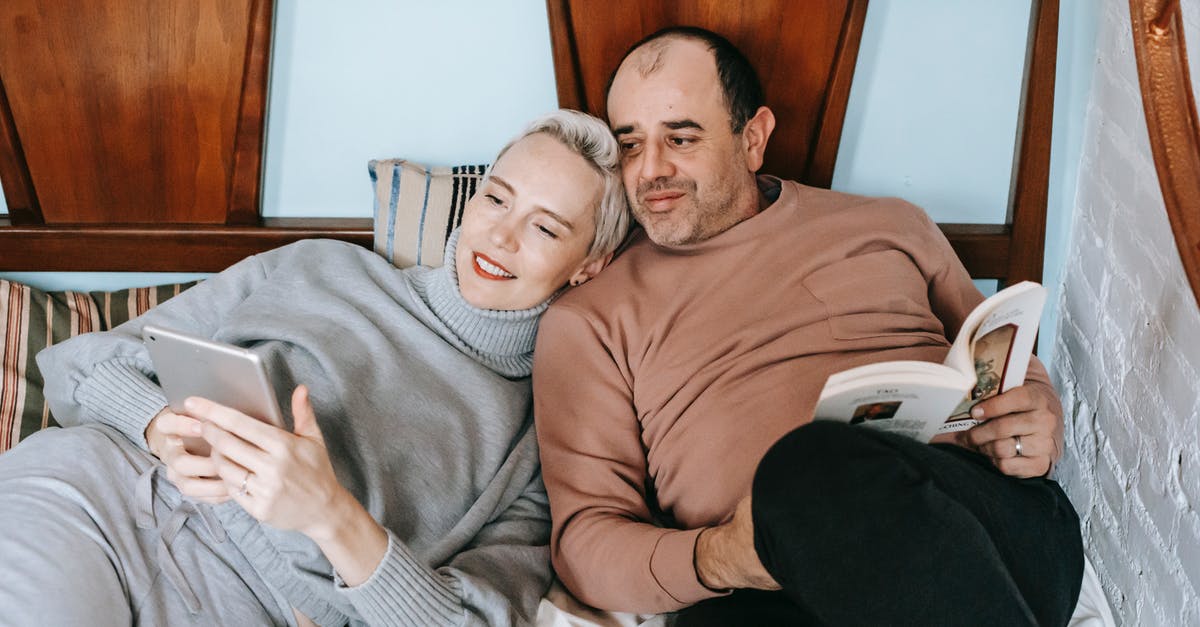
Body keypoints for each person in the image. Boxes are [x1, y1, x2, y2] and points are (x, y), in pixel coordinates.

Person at [532, 27, 1084, 626]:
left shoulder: (889, 224)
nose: (651, 171)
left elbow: (1000, 348)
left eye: (682, 137)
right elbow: (585, 544)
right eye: (631, 145)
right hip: (765, 584)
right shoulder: (586, 319)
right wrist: (722, 558)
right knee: (786, 499)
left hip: (979, 518)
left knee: (809, 464)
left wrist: (1035, 410)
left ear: (753, 138)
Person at [0, 109, 630, 626]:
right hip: (98, 491)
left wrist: (330, 515)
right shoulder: (321, 265)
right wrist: (157, 424)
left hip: (246, 603)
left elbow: (468, 621)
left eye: (545, 228)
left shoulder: (536, 442)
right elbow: (73, 364)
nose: (501, 235)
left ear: (588, 266)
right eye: (497, 198)